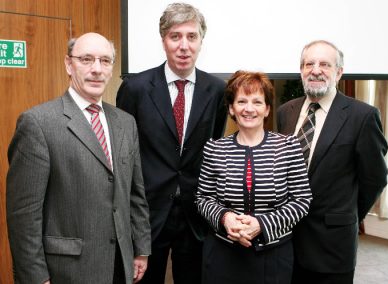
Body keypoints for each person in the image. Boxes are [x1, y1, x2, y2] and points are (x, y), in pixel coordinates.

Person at [6, 32, 151, 284]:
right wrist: (35, 277)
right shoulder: (38, 123)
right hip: (66, 271)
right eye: (86, 59)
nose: (97, 69)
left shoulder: (125, 123)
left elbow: (135, 194)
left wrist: (140, 248)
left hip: (120, 264)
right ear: (68, 64)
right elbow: (24, 214)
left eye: (105, 61)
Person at [116, 3, 227, 284]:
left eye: (192, 36)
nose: (184, 45)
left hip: (195, 215)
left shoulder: (216, 91)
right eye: (175, 36)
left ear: (201, 41)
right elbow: (124, 155)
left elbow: (213, 146)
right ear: (163, 40)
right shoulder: (135, 88)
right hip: (148, 213)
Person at [277, 40, 388, 284]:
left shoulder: (363, 116)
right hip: (286, 242)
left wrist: (347, 213)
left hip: (333, 245)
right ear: (301, 70)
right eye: (309, 64)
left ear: (339, 72)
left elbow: (375, 178)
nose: (316, 70)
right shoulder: (286, 111)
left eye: (325, 64)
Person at [196, 70, 313, 284]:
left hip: (273, 257)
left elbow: (302, 201)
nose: (249, 109)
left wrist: (261, 223)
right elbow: (203, 199)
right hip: (223, 255)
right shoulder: (214, 149)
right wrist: (225, 218)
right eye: (241, 101)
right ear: (232, 108)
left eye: (257, 102)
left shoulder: (289, 147)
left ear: (267, 109)